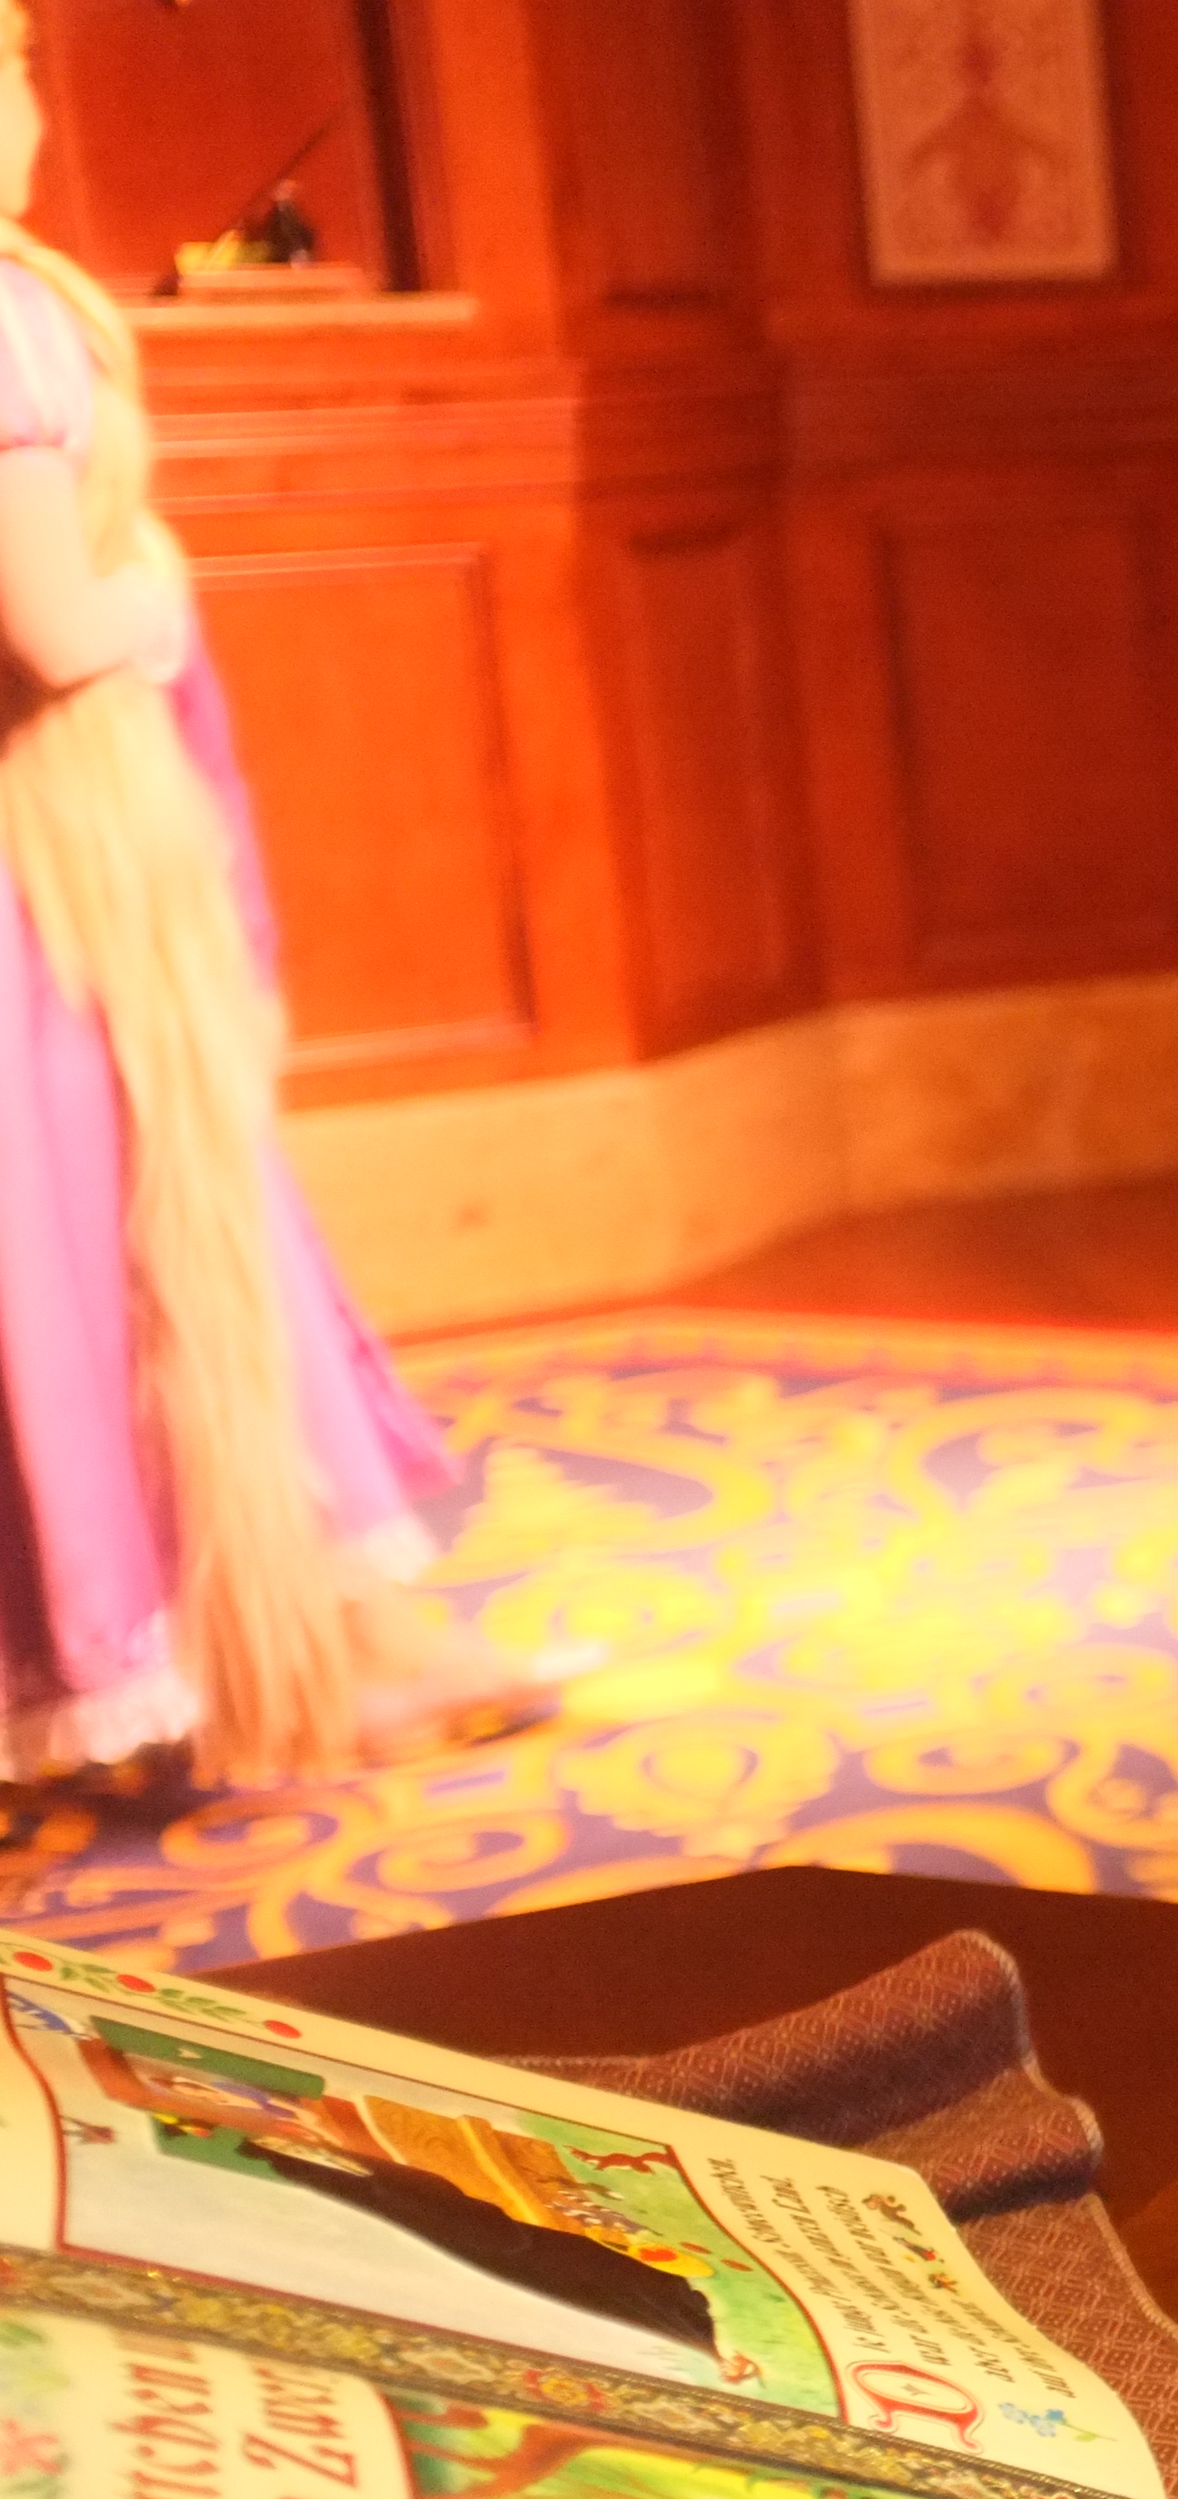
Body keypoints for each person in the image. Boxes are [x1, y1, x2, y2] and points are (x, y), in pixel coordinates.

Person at [0, 10, 541, 1795]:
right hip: (54, 857)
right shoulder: (5, 322)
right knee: (112, 1245)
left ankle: (280, 1639)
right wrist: (154, 594)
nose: (28, 113)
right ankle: (230, 1651)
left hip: (72, 850)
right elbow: (58, 631)